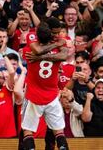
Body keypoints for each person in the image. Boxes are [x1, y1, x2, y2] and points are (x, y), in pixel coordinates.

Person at [21, 21, 69, 150]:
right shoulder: (59, 49)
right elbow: (64, 55)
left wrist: (39, 58)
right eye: (55, 32)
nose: (58, 35)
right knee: (59, 132)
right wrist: (57, 45)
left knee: (27, 131)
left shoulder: (28, 51)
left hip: (33, 95)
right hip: (52, 95)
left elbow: (37, 50)